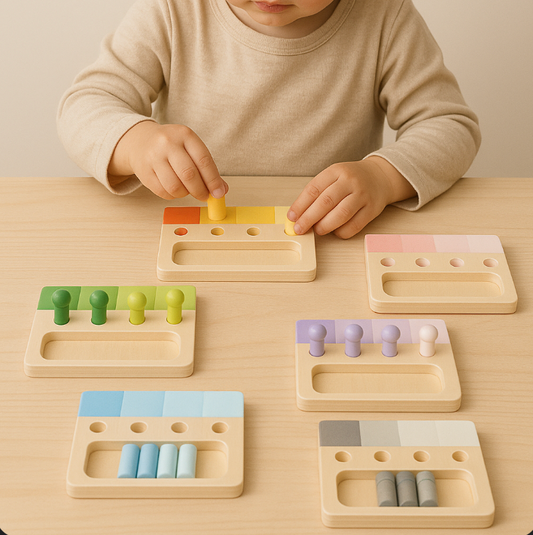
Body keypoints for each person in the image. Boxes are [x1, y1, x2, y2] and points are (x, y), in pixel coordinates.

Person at [57, 0, 480, 238]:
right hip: (194, 236)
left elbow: (449, 124)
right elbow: (85, 104)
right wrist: (135, 142)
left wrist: (384, 178)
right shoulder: (173, 10)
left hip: (326, 241)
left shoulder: (386, 16)